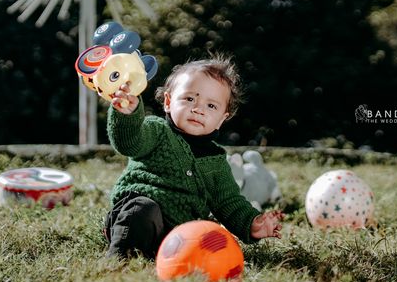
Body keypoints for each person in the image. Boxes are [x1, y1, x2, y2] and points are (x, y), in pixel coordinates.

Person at [103, 55, 284, 259]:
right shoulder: (157, 131)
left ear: (221, 119)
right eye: (190, 99)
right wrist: (128, 116)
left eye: (211, 106)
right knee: (142, 210)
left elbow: (228, 202)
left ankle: (169, 254)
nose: (198, 109)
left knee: (210, 234)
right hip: (139, 214)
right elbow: (129, 143)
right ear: (168, 102)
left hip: (180, 232)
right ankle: (120, 255)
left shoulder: (216, 161)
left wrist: (252, 223)